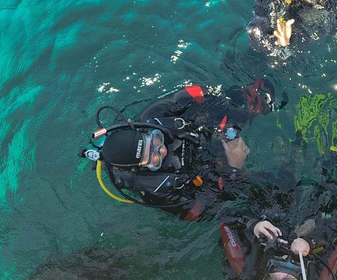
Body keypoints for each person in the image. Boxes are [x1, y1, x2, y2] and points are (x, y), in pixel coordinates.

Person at [81, 80, 277, 220]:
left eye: (156, 140)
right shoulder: (154, 191)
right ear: (140, 168)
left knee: (238, 97)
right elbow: (207, 211)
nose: (163, 151)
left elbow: (195, 95)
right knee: (264, 189)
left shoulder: (155, 116)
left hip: (200, 138)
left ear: (144, 130)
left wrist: (228, 121)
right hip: (207, 176)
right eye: (154, 158)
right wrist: (234, 169)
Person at [220, 188, 337, 280]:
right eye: (294, 268)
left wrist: (253, 224)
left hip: (270, 209)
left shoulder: (247, 268)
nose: (287, 258)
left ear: (264, 274)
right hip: (308, 218)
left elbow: (225, 216)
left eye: (278, 264)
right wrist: (311, 242)